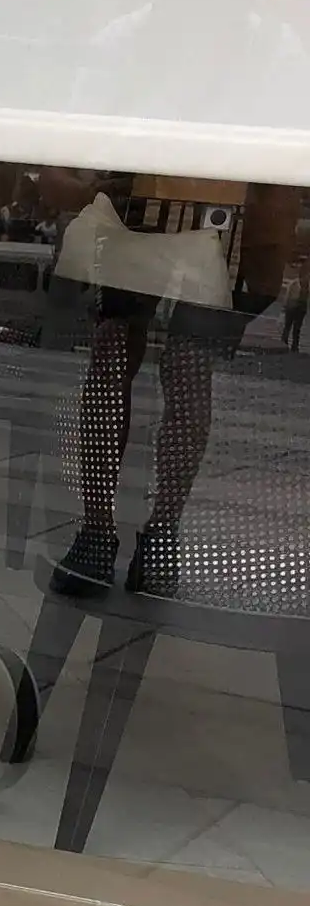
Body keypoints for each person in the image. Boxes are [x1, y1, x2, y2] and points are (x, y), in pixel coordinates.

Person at [41, 167, 300, 598]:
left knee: (149, 367)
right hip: (189, 219)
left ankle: (117, 532)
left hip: (185, 219)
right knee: (167, 371)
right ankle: (138, 533)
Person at [282, 256, 308, 351]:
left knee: (297, 329)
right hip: (291, 307)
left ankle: (295, 346)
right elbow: (287, 295)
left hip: (301, 308)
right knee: (287, 326)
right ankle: (283, 343)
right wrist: (285, 306)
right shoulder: (293, 283)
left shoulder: (307, 286)